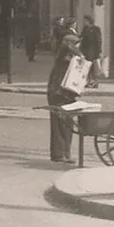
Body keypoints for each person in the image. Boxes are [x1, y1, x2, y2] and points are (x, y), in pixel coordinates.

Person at [47, 19, 83, 164]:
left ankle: (60, 153)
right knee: (63, 122)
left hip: (59, 91)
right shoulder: (66, 61)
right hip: (61, 92)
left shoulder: (63, 60)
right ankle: (62, 154)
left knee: (60, 122)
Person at [79, 13, 103, 87]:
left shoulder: (96, 29)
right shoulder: (85, 29)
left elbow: (98, 40)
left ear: (89, 21)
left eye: (85, 21)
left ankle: (96, 82)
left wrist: (99, 51)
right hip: (86, 51)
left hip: (93, 51)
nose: (84, 22)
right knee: (87, 67)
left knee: (95, 68)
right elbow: (81, 37)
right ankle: (88, 81)